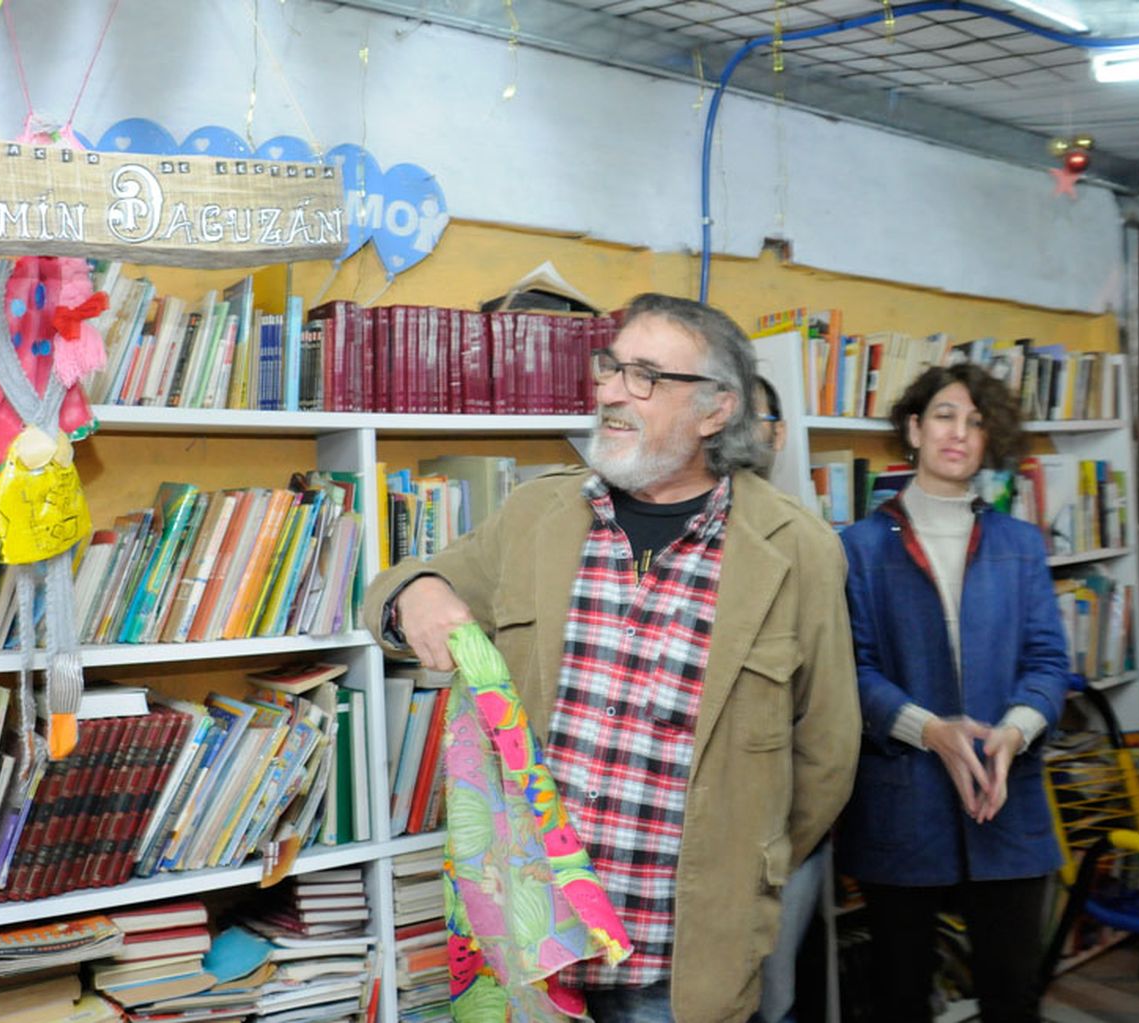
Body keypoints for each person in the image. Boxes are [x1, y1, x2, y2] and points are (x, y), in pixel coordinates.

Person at [364, 292, 861, 1023]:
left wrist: (747, 863)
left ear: (717, 409)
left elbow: (827, 754)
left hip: (682, 958)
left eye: (648, 375)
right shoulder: (538, 514)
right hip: (534, 949)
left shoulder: (797, 549)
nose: (612, 391)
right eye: (612, 367)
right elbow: (390, 592)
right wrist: (418, 590)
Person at [838, 363, 1071, 1023]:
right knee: (901, 993)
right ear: (913, 428)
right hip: (900, 802)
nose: (958, 433)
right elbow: (851, 670)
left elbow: (1050, 661)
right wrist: (929, 729)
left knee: (1012, 994)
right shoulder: (857, 546)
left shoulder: (1021, 544)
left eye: (975, 422)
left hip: (1006, 795)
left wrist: (1016, 730)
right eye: (944, 414)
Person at [750, 372, 830, 1023]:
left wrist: (788, 842)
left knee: (772, 998)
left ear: (777, 433)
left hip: (785, 828)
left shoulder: (810, 541)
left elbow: (829, 729)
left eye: (755, 417)